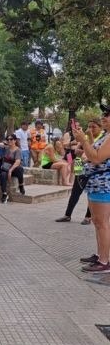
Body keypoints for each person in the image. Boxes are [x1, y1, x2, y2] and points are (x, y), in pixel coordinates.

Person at [73, 104, 110, 273]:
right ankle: (100, 255)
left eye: (108, 114)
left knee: (102, 223)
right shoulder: (106, 135)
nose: (104, 116)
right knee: (97, 221)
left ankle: (104, 262)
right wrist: (85, 144)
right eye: (104, 113)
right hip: (95, 183)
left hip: (103, 184)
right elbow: (91, 154)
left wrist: (83, 141)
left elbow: (96, 158)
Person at [56, 119, 104, 225]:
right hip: (80, 165)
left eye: (93, 127)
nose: (90, 129)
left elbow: (96, 155)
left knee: (91, 193)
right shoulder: (84, 137)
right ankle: (67, 215)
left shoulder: (102, 139)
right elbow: (77, 151)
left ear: (100, 128)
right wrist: (83, 153)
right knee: (75, 192)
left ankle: (88, 217)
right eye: (89, 127)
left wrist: (86, 152)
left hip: (94, 170)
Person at [0, 133, 25, 203]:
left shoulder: (18, 150)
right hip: (5, 168)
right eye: (8, 139)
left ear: (15, 140)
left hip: (14, 169)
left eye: (11, 139)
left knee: (20, 169)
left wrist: (10, 170)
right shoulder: (6, 148)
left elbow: (18, 162)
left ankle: (21, 185)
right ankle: (4, 193)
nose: (9, 141)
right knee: (3, 175)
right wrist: (2, 143)